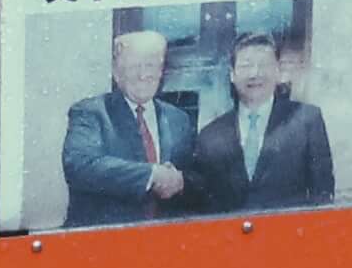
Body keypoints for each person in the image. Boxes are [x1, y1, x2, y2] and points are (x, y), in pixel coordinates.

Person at [178, 30, 336, 213]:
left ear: (278, 71)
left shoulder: (306, 119)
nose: (255, 73)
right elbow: (202, 203)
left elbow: (323, 194)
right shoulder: (209, 136)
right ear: (232, 75)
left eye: (264, 65)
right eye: (246, 66)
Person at [57, 25, 195, 228]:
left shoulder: (178, 119)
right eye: (133, 66)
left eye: (151, 65)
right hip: (103, 244)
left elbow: (194, 177)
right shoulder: (90, 112)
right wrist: (152, 175)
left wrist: (181, 182)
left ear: (161, 71)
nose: (143, 74)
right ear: (116, 72)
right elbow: (80, 166)